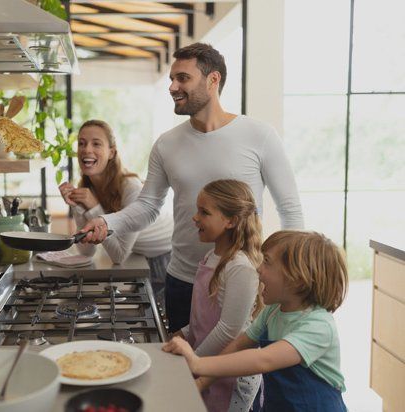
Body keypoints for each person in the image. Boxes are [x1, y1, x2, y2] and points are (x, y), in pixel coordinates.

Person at [78, 42, 304, 332]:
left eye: (183, 78)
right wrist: (105, 222)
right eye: (172, 78)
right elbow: (148, 206)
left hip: (243, 281)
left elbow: (290, 209)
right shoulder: (166, 144)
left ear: (213, 80)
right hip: (183, 280)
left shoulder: (259, 135)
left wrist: (289, 271)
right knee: (182, 371)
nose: (172, 86)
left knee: (239, 374)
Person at [163, 231, 349, 412]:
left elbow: (264, 359)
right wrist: (202, 381)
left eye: (267, 262)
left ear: (298, 280)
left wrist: (197, 363)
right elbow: (237, 345)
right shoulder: (272, 311)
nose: (259, 268)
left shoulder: (319, 327)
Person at [59, 119, 173, 304]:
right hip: (139, 255)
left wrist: (95, 207)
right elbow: (86, 251)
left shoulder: (130, 187)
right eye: (81, 143)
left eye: (96, 143)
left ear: (111, 152)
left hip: (164, 258)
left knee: (162, 327)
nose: (86, 149)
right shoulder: (89, 188)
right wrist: (77, 205)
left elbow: (119, 256)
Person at [178, 179, 263, 412]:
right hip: (207, 363)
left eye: (204, 212)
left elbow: (229, 330)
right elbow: (203, 317)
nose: (195, 218)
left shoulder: (240, 267)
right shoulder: (209, 258)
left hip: (230, 374)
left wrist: (194, 361)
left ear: (231, 221)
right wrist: (181, 334)